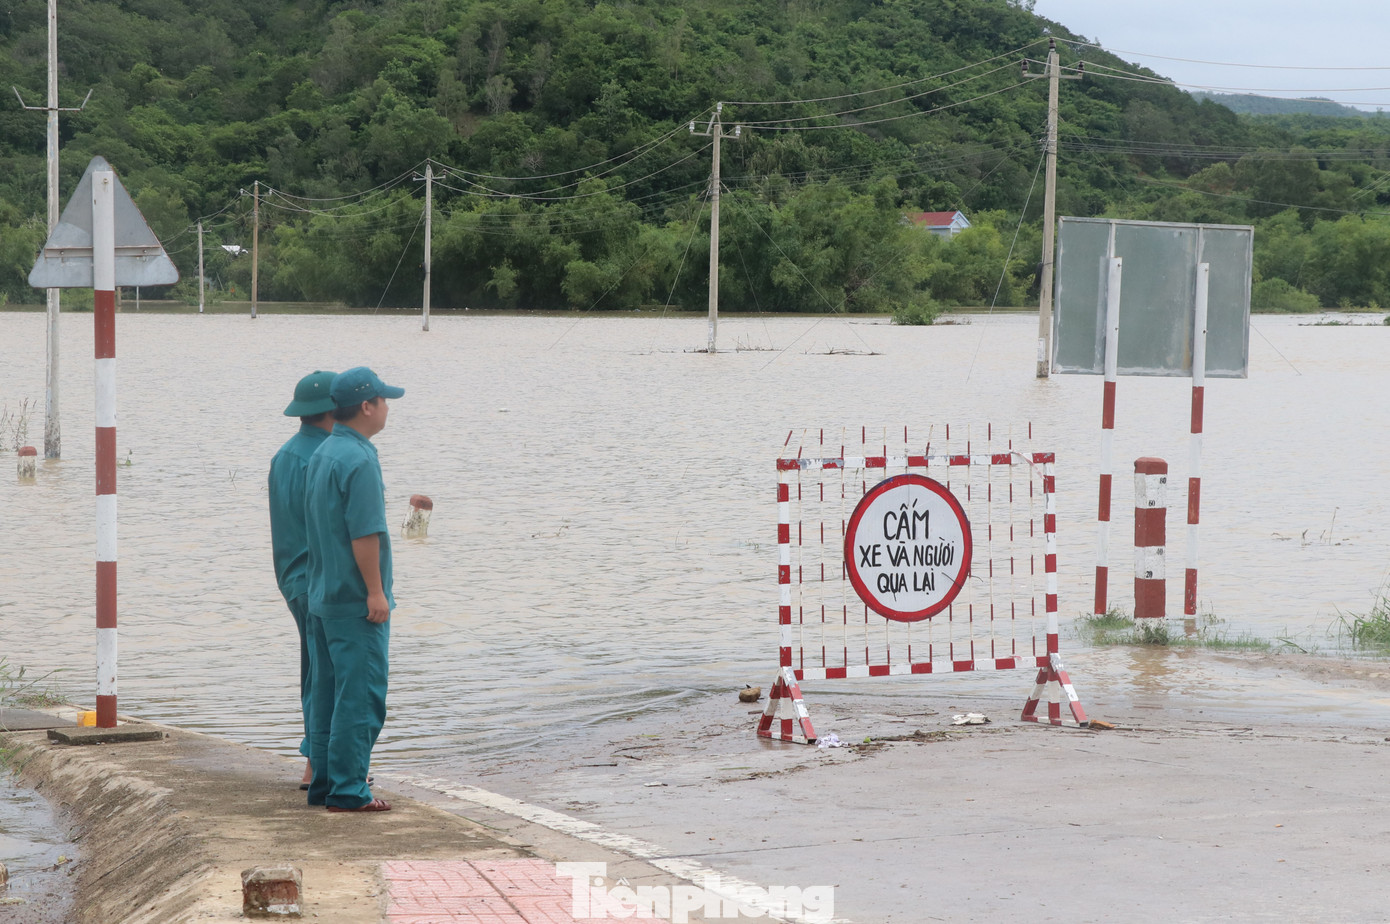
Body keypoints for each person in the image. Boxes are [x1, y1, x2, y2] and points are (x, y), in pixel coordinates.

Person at [304, 367, 404, 812]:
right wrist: (376, 592)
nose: (387, 408)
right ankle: (348, 790)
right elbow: (365, 534)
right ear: (367, 407)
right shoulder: (360, 460)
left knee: (328, 695)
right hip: (353, 600)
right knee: (361, 697)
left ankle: (325, 782)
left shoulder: (323, 452)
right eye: (384, 401)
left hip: (322, 595)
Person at [267, 370, 337, 790]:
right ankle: (322, 763)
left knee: (315, 668)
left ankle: (314, 759)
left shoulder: (285, 454)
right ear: (334, 410)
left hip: (292, 576)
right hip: (321, 578)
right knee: (330, 673)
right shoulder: (328, 457)